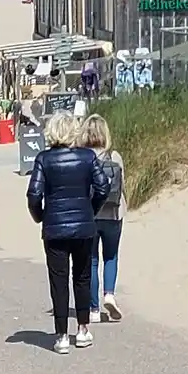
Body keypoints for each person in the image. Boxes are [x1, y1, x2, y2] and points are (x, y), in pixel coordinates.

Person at [26, 112, 110, 354]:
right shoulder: (87, 157)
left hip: (54, 228)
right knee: (82, 277)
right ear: (74, 130)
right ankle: (83, 330)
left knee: (58, 281)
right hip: (83, 226)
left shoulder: (44, 159)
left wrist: (40, 216)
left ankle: (62, 335)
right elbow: (103, 186)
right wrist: (90, 210)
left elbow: (34, 194)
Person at [79, 114, 125, 322]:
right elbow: (122, 186)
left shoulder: (81, 157)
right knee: (111, 256)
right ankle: (109, 294)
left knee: (92, 260)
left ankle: (94, 309)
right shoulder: (114, 156)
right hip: (114, 213)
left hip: (90, 213)